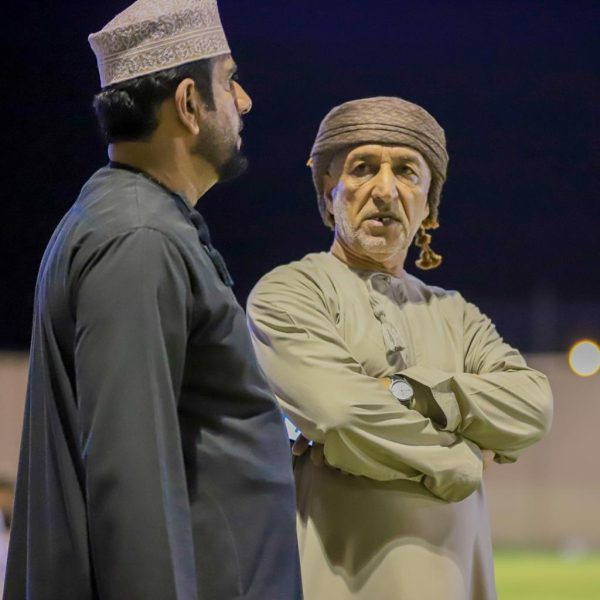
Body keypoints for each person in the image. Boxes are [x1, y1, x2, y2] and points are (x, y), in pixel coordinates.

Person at [4, 1, 302, 599]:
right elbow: (132, 478)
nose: (244, 101)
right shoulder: (139, 239)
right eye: (229, 81)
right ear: (190, 103)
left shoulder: (133, 219)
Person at [247, 96, 553, 599]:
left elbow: (532, 406)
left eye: (407, 171)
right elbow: (341, 413)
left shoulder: (456, 313)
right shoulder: (290, 293)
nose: (386, 190)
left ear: (428, 204)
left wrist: (410, 391)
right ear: (328, 191)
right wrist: (462, 460)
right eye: (363, 168)